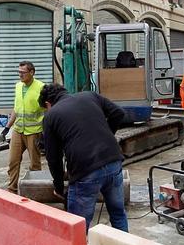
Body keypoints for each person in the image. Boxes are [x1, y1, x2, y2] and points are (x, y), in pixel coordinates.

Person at [39, 83, 128, 232]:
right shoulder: (90, 96)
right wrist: (106, 136)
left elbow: (53, 157)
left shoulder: (51, 115)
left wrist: (59, 187)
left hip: (86, 171)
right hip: (113, 161)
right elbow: (118, 113)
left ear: (48, 104)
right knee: (118, 214)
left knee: (78, 226)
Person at [0, 61, 45, 193]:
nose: (20, 75)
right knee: (13, 161)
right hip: (18, 130)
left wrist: (46, 131)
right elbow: (16, 109)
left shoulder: (41, 87)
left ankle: (36, 191)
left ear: (31, 72)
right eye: (18, 72)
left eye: (23, 72)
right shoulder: (18, 86)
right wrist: (7, 127)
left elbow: (47, 109)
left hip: (34, 132)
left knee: (35, 165)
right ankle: (12, 189)